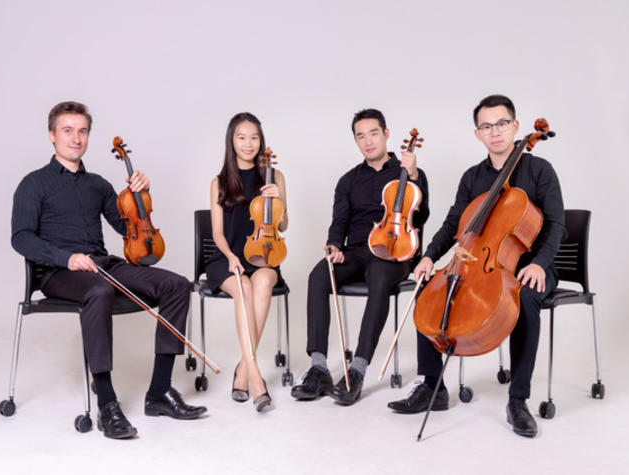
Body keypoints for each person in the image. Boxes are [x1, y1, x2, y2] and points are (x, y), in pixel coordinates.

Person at [11, 101, 206, 439]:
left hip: (104, 265)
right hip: (61, 274)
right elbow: (21, 237)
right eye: (67, 131)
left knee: (176, 285)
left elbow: (128, 228)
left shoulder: (98, 185)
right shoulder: (33, 184)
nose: (76, 138)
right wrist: (66, 258)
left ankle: (160, 392)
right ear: (52, 136)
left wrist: (140, 195)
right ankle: (107, 403)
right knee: (98, 290)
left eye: (82, 131)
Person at [387, 94, 565, 438]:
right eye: (487, 126)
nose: (495, 131)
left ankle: (518, 399)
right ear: (478, 134)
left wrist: (542, 264)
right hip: (482, 264)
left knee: (526, 297)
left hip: (531, 264)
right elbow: (456, 223)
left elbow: (556, 224)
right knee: (428, 288)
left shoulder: (539, 170)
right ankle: (432, 387)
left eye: (501, 124)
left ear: (515, 126)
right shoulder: (472, 177)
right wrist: (427, 257)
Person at [291, 108, 429, 405]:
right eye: (360, 136)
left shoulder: (409, 173)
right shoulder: (348, 180)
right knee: (318, 275)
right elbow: (338, 222)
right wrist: (333, 245)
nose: (367, 141)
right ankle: (318, 368)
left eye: (373, 133)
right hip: (354, 253)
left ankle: (357, 370)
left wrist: (415, 176)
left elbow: (422, 216)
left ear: (386, 133)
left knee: (379, 276)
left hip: (393, 254)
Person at [206, 112, 288, 412]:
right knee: (243, 286)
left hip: (263, 253)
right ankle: (255, 377)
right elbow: (216, 232)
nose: (248, 143)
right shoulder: (219, 182)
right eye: (242, 137)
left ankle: (243, 367)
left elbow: (283, 226)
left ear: (261, 140)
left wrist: (277, 199)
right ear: (232, 140)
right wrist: (230, 257)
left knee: (264, 281)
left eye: (254, 137)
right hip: (226, 259)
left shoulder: (274, 176)